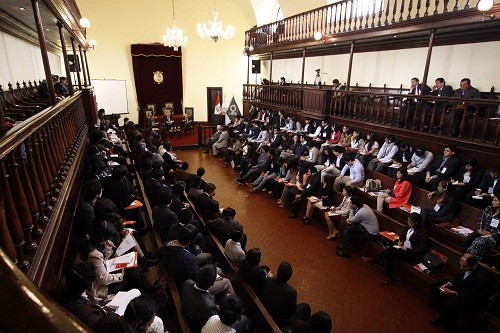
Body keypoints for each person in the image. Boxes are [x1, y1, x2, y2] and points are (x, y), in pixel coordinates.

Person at [429, 253, 489, 333]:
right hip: (460, 287)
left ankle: (448, 329)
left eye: (464, 267)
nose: (461, 268)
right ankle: (440, 312)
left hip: (471, 297)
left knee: (451, 304)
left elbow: (474, 293)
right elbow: (456, 279)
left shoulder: (482, 277)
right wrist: (447, 284)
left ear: (474, 265)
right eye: (461, 265)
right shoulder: (465, 266)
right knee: (435, 284)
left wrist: (452, 292)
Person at [362, 213, 429, 284]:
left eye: (410, 221)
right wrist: (401, 241)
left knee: (391, 251)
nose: (408, 222)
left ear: (416, 223)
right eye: (408, 221)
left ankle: (374, 260)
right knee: (391, 254)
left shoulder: (423, 233)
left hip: (412, 254)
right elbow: (402, 235)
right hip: (402, 248)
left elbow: (423, 249)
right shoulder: (408, 226)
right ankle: (388, 276)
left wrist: (407, 249)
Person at [262, 261, 311, 329]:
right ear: (289, 276)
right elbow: (292, 310)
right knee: (305, 307)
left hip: (264, 311)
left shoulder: (267, 280)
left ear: (277, 272)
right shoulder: (291, 291)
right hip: (280, 321)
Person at [462, 193, 499, 261]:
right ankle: (464, 257)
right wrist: (480, 228)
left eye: (495, 201)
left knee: (478, 242)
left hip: (494, 237)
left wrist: (489, 234)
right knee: (468, 238)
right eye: (493, 200)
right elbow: (481, 219)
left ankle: (473, 260)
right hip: (482, 231)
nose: (492, 202)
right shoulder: (489, 209)